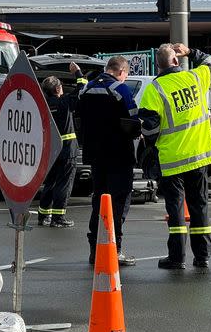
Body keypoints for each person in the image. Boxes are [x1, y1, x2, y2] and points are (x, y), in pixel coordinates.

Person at [139, 43, 211, 270]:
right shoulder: (195, 78)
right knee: (199, 206)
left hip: (172, 160)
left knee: (175, 211)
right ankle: (202, 257)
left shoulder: (155, 89)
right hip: (199, 156)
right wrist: (191, 51)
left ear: (158, 65)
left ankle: (177, 258)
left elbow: (149, 128)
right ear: (176, 61)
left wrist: (151, 147)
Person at [78, 56, 139, 266]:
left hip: (95, 155)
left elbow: (79, 117)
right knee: (119, 202)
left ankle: (95, 250)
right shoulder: (120, 90)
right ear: (121, 71)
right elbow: (133, 120)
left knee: (99, 201)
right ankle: (115, 249)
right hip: (119, 155)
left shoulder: (86, 90)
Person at [37, 64, 86, 228]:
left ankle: (43, 215)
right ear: (58, 89)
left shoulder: (42, 106)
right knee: (64, 183)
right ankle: (58, 217)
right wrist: (78, 72)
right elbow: (82, 88)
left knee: (50, 182)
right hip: (67, 150)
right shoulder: (64, 102)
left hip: (51, 150)